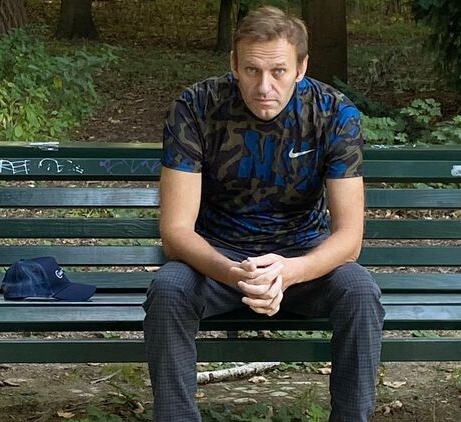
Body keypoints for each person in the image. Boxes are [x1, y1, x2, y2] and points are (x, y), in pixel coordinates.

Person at [143, 6, 385, 421]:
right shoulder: (195, 107)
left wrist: (290, 272)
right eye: (252, 70)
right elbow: (176, 232)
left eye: (278, 71)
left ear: (301, 68)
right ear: (233, 64)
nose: (264, 86)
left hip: (304, 256)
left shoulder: (334, 113)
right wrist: (235, 273)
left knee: (360, 291)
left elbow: (349, 239)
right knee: (168, 291)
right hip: (217, 257)